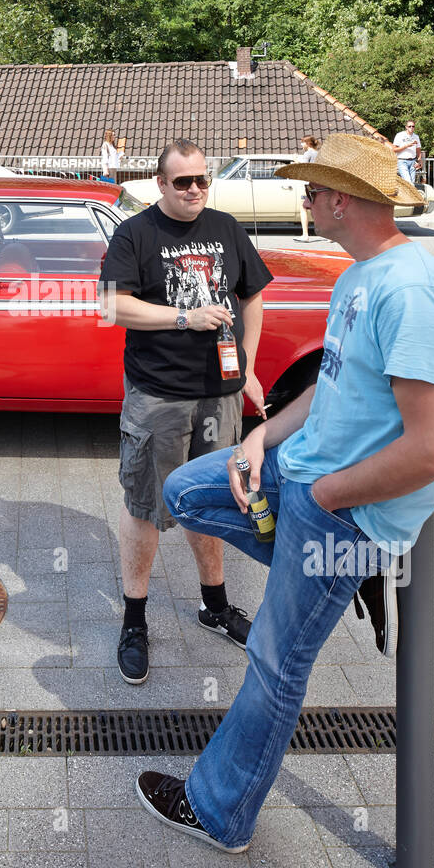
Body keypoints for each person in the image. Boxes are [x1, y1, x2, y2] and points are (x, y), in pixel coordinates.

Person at [135, 132, 434, 852]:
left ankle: (219, 811)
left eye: (311, 192)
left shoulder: (411, 293)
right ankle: (316, 575)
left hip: (342, 511)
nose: (305, 202)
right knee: (187, 490)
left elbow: (431, 449)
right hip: (303, 477)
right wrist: (262, 438)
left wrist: (322, 502)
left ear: (342, 200)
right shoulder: (360, 276)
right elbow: (335, 386)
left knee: (273, 661)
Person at [97, 138, 273, 684]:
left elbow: (252, 296)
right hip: (158, 395)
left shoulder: (226, 227)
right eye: (183, 182)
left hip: (218, 393)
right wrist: (183, 317)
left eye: (202, 179)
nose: (195, 190)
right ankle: (133, 621)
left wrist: (246, 364)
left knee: (215, 500)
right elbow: (111, 304)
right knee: (146, 503)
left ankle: (214, 605)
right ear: (161, 184)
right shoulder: (135, 233)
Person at [293, 135, 322, 242]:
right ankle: (329, 235)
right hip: (319, 184)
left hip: (309, 184)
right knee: (318, 209)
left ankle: (305, 235)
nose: (301, 144)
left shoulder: (308, 153)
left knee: (304, 208)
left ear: (308, 143)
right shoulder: (319, 154)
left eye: (303, 142)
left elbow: (303, 166)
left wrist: (295, 159)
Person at [392, 119, 422, 186]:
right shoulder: (400, 135)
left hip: (412, 162)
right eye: (409, 126)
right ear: (406, 127)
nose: (411, 128)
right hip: (402, 161)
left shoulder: (416, 137)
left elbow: (418, 150)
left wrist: (419, 161)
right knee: (409, 183)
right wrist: (406, 146)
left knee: (411, 183)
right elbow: (394, 149)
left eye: (413, 126)